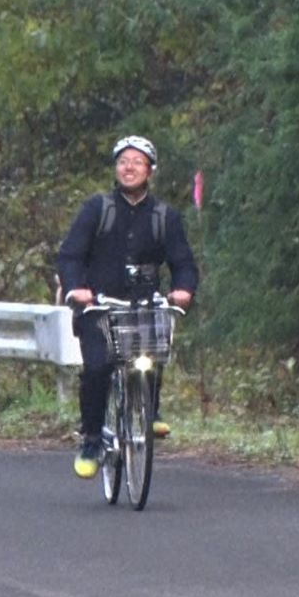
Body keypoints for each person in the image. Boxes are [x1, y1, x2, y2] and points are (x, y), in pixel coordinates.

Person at [56, 135, 199, 479]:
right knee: (97, 368)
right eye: (123, 161)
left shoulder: (165, 216)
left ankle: (150, 411)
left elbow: (183, 262)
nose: (129, 167)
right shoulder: (97, 209)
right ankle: (91, 437)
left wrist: (183, 290)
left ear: (150, 170)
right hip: (100, 307)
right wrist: (77, 289)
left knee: (152, 354)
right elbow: (70, 254)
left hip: (143, 305)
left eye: (137, 161)